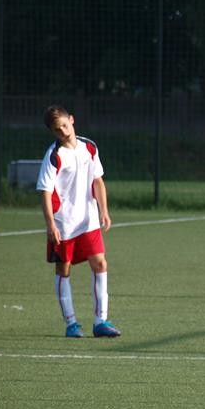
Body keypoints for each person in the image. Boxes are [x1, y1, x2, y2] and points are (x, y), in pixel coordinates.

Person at [37, 105, 121, 338]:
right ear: (52, 132)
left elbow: (98, 180)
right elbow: (45, 191)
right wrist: (50, 225)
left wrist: (104, 210)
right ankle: (71, 323)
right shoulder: (54, 156)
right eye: (57, 129)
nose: (63, 132)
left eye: (65, 125)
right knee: (64, 269)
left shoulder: (89, 147)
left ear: (72, 120)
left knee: (100, 264)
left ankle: (100, 321)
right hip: (63, 223)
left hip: (88, 219)